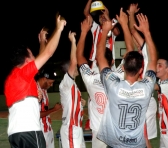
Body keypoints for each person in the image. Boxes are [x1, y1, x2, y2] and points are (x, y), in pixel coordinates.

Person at [96, 8, 157, 148]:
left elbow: (101, 58)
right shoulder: (146, 88)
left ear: (123, 67)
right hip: (137, 144)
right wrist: (146, 32)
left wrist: (105, 31)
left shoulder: (114, 86)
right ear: (141, 70)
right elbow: (153, 60)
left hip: (115, 143)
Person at [4, 15, 66, 148]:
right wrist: (59, 29)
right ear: (26, 60)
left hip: (15, 135)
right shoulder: (24, 74)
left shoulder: (13, 79)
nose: (35, 57)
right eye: (31, 54)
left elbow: (41, 58)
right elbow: (47, 54)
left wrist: (42, 40)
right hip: (30, 132)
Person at [76, 15, 129, 148]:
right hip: (118, 130)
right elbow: (130, 51)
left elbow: (79, 57)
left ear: (96, 61)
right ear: (112, 61)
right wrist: (124, 25)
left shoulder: (90, 78)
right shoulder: (120, 75)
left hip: (99, 133)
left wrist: (83, 33)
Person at [127, 3, 158, 148]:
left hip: (143, 101)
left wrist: (131, 14)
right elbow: (133, 35)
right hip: (145, 100)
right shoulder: (146, 55)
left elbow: (133, 32)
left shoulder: (146, 53)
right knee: (144, 140)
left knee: (142, 139)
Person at [59, 31, 86, 148]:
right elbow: (74, 61)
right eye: (73, 66)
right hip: (71, 128)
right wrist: (73, 42)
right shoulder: (65, 83)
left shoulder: (73, 85)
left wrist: (81, 103)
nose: (76, 67)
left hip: (76, 128)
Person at [35, 65, 62, 148]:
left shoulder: (44, 90)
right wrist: (54, 109)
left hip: (47, 129)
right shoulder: (34, 90)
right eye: (50, 83)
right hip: (40, 131)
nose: (51, 85)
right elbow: (36, 114)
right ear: (44, 79)